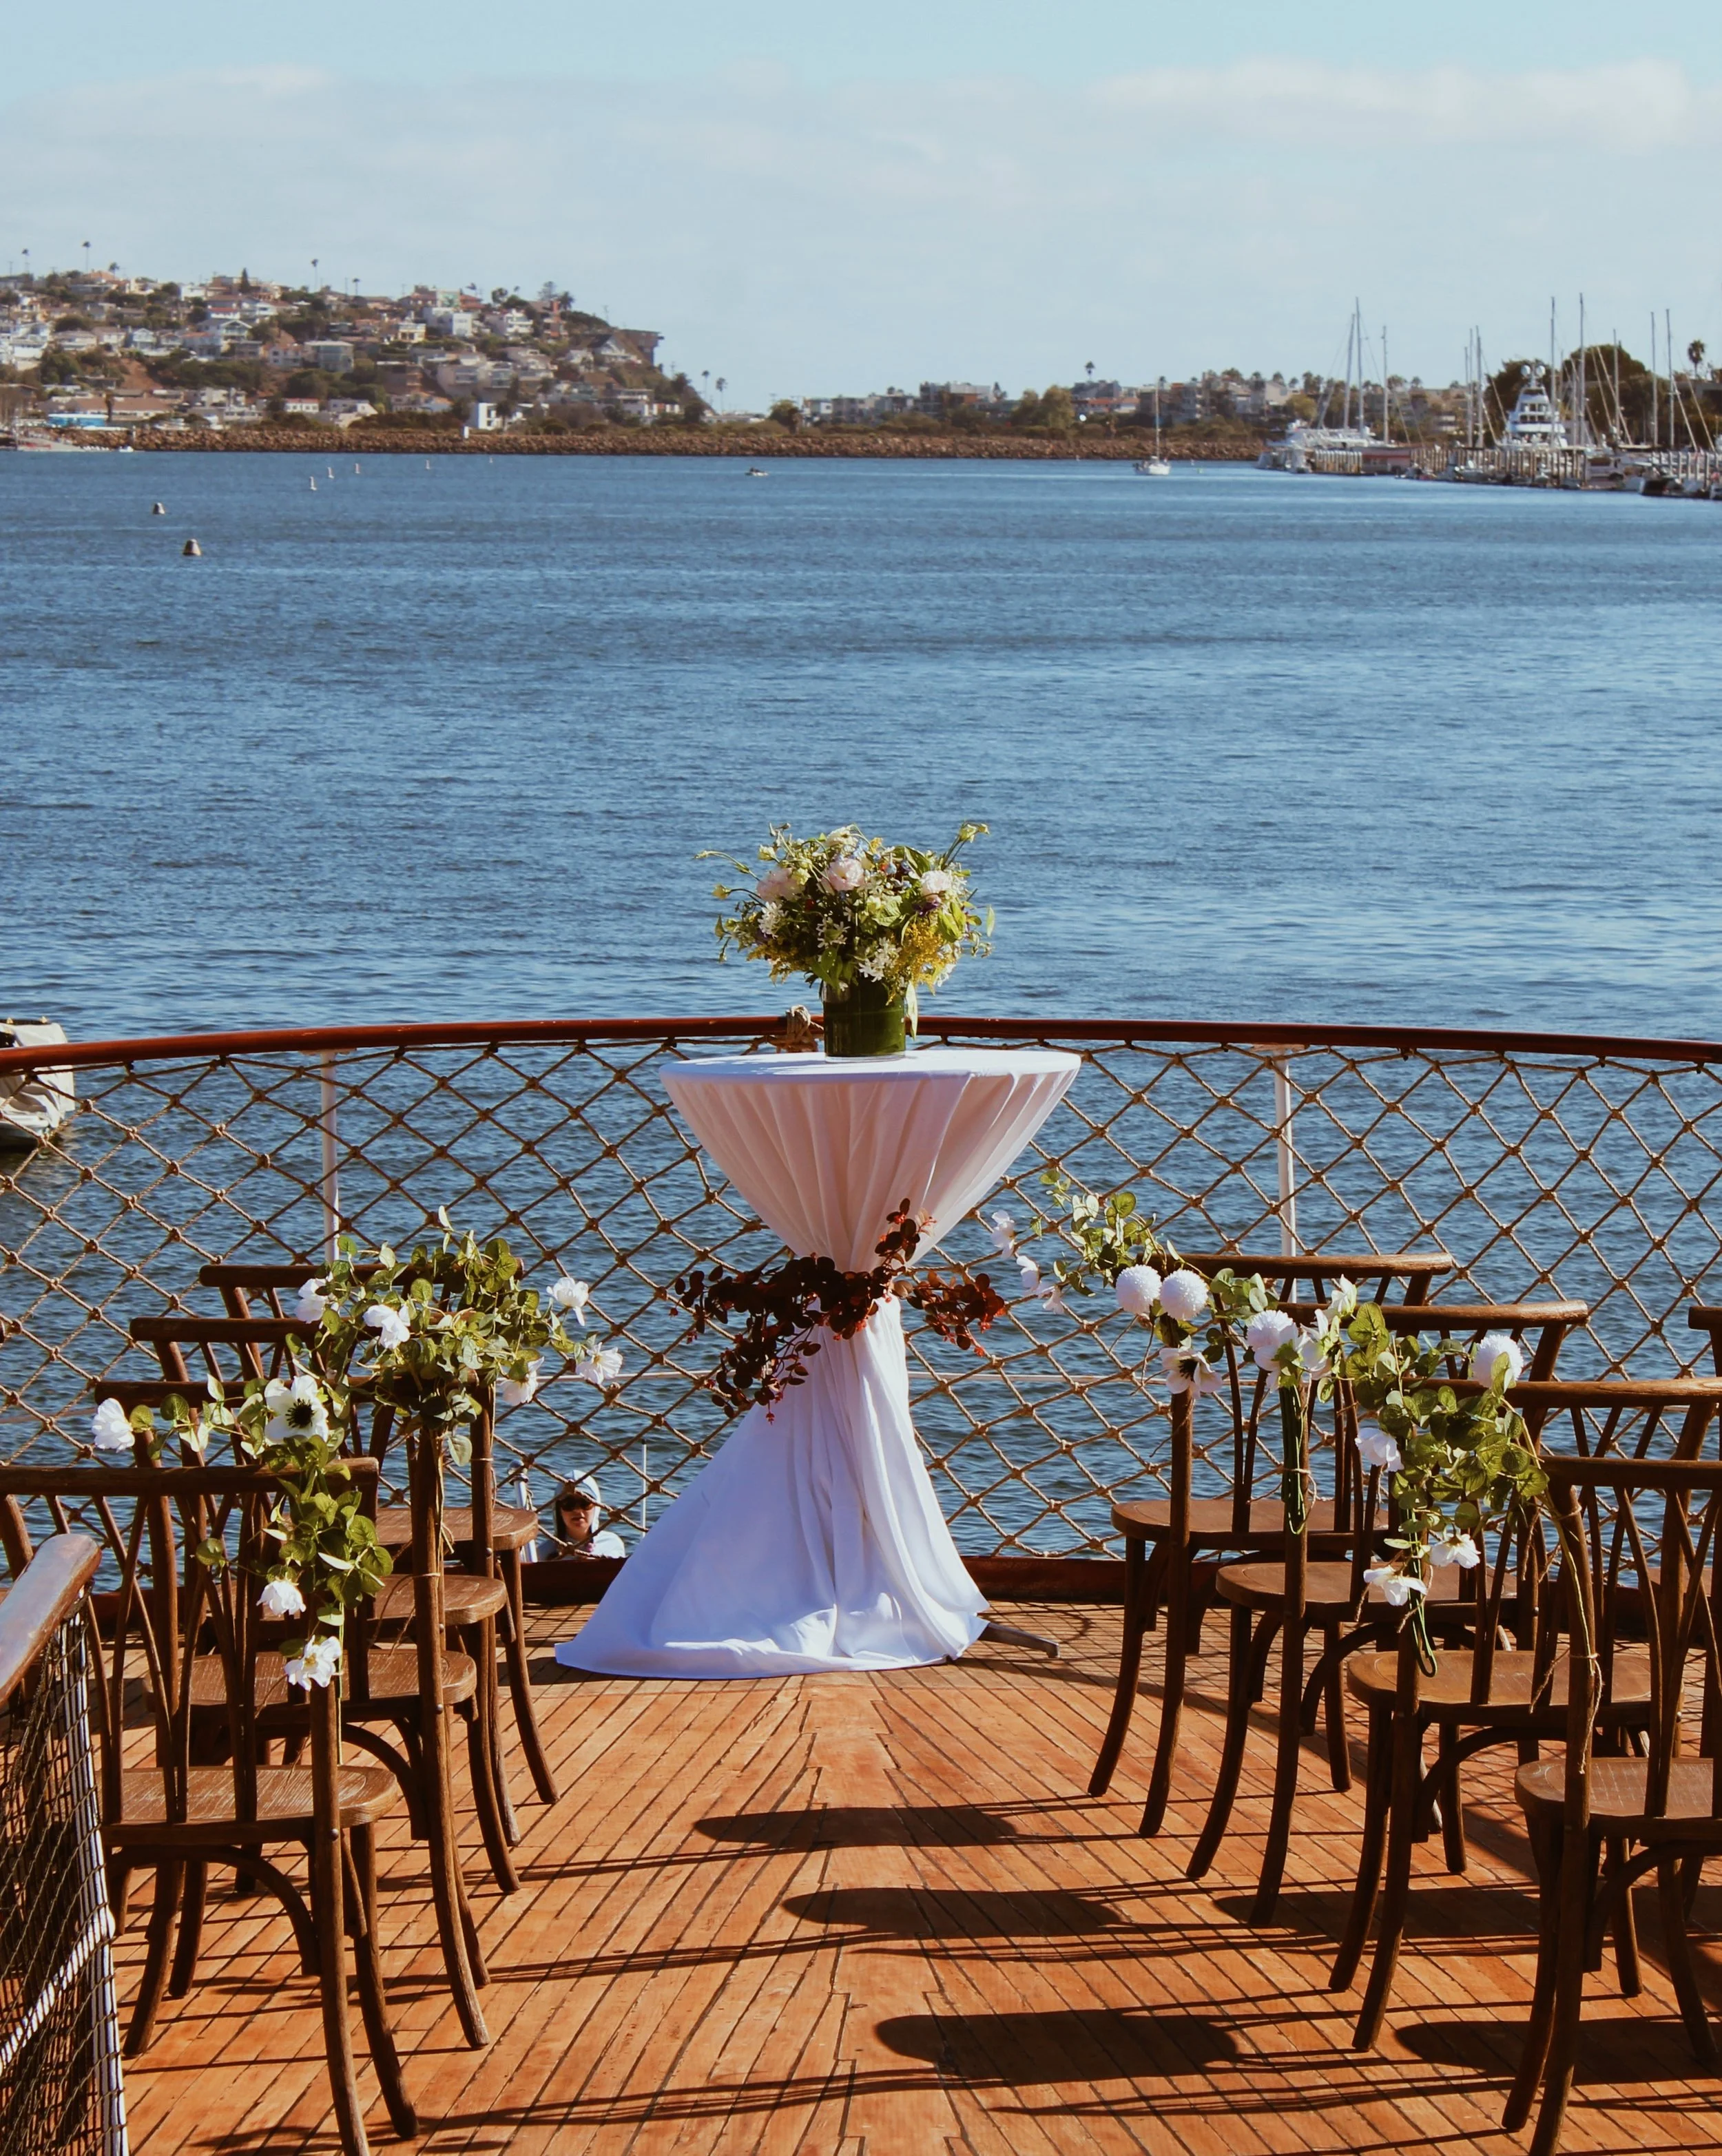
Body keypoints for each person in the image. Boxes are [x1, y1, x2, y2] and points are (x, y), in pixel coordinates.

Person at [551, 1476, 626, 1559]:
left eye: (585, 1502)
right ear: (558, 1509)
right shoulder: (541, 1553)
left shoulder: (612, 1544)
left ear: (596, 1506)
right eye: (569, 1504)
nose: (577, 1510)